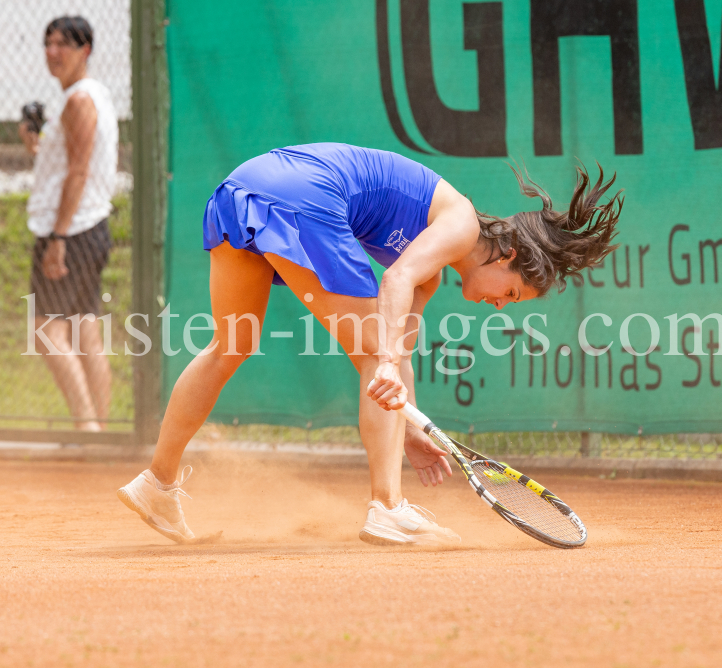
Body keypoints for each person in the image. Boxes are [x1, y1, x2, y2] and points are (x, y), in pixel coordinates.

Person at [118, 143, 621, 545]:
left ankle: (157, 483)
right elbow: (394, 285)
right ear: (508, 254)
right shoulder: (461, 224)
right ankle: (387, 507)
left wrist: (411, 426)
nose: (500, 305)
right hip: (301, 195)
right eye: (510, 292)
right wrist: (380, 361)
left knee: (231, 345)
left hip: (245, 186)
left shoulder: (434, 268)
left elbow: (399, 344)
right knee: (370, 354)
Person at [18, 16, 119, 432]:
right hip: (84, 227)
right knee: (84, 333)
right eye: (48, 43)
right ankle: (103, 431)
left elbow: (78, 173)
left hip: (72, 231)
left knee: (45, 331)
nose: (53, 52)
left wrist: (58, 238)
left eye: (63, 44)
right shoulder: (86, 97)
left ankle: (88, 428)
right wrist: (34, 146)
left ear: (86, 51)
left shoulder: (79, 100)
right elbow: (69, 166)